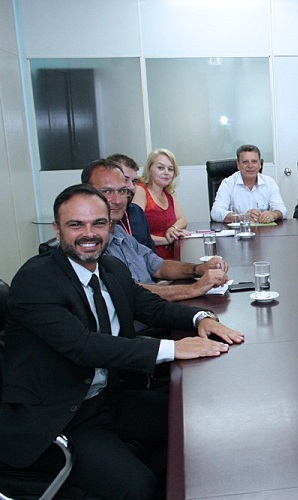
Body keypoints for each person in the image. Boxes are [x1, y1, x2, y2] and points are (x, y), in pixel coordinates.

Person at [0, 183, 244, 498]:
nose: (89, 233)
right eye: (76, 225)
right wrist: (173, 348)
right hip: (62, 416)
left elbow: (151, 307)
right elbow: (85, 346)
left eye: (98, 223)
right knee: (139, 488)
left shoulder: (111, 268)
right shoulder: (36, 280)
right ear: (57, 229)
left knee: (200, 427)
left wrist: (201, 319)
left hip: (109, 400)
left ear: (110, 225)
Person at [84, 159, 229, 303]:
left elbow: (157, 265)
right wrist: (195, 288)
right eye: (107, 191)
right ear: (87, 193)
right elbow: (130, 291)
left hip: (155, 308)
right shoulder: (90, 243)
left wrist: (198, 269)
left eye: (121, 191)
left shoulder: (119, 231)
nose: (118, 200)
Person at [132, 149, 190, 259]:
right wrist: (167, 240)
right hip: (150, 258)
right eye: (160, 168)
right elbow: (136, 236)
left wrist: (172, 228)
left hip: (173, 255)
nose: (166, 172)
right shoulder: (141, 191)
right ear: (149, 170)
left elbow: (182, 220)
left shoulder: (168, 193)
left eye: (170, 169)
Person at [210, 144, 287, 223]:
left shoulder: (269, 183)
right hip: (237, 232)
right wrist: (242, 217)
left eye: (254, 161)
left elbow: (282, 210)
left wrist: (274, 214)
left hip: (264, 233)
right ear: (238, 165)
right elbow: (215, 213)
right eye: (245, 162)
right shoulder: (228, 183)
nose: (250, 166)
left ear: (260, 164)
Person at [100, 153, 156, 251]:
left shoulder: (137, 212)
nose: (131, 187)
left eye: (134, 181)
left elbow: (151, 253)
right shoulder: (99, 218)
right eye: (125, 180)